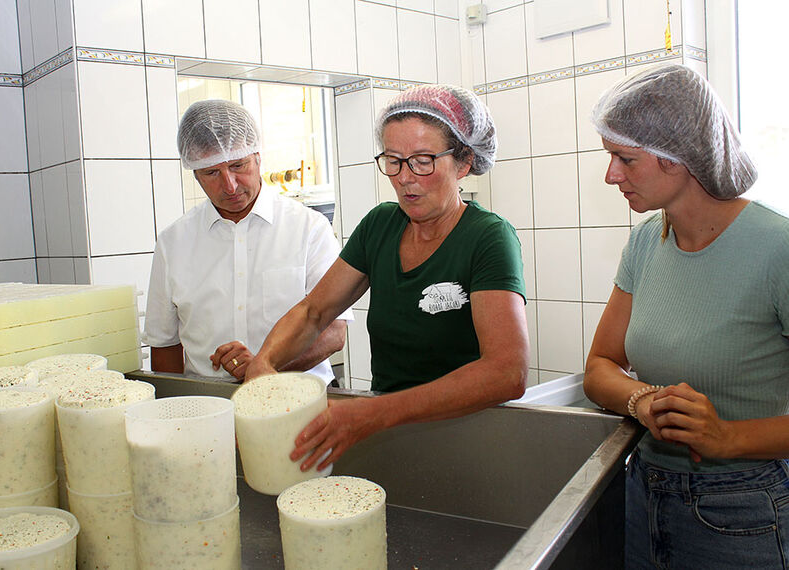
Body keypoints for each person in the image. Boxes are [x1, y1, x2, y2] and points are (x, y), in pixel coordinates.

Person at [247, 84, 529, 471]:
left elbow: (506, 372)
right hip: (391, 435)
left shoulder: (488, 237)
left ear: (463, 162)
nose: (404, 177)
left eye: (423, 160)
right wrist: (265, 363)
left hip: (469, 439)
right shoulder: (381, 225)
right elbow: (314, 311)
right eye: (393, 160)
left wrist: (374, 413)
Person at [583, 63, 789, 569]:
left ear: (679, 158)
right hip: (645, 491)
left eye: (624, 158)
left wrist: (728, 437)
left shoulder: (777, 249)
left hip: (745, 507)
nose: (611, 175)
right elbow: (600, 367)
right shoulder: (645, 242)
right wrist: (640, 401)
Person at [144, 99, 349, 384]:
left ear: (258, 157)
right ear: (195, 173)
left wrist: (264, 367)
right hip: (212, 405)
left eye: (238, 165)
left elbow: (334, 333)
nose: (229, 185)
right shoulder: (173, 243)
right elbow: (164, 345)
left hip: (300, 397)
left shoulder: (309, 229)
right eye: (211, 172)